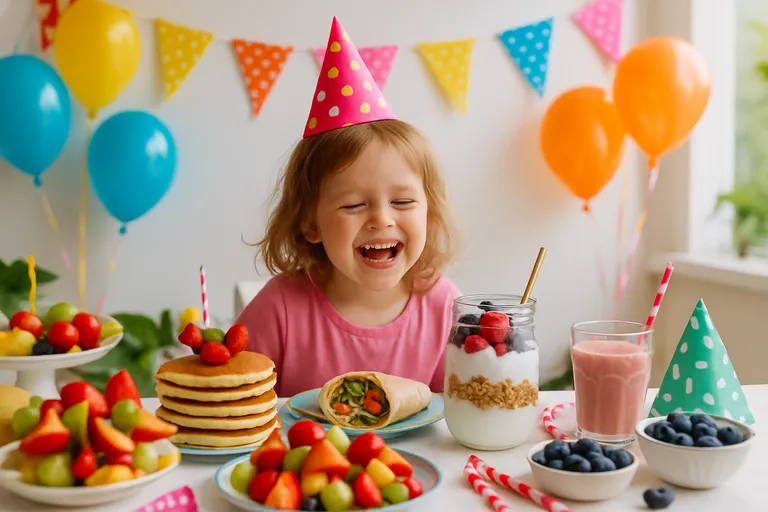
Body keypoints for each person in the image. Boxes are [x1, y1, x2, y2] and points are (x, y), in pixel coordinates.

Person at [237, 16, 461, 397]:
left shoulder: (444, 306)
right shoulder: (279, 309)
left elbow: (448, 420)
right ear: (311, 223)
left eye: (403, 201)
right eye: (355, 204)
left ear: (429, 213)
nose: (381, 219)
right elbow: (234, 404)